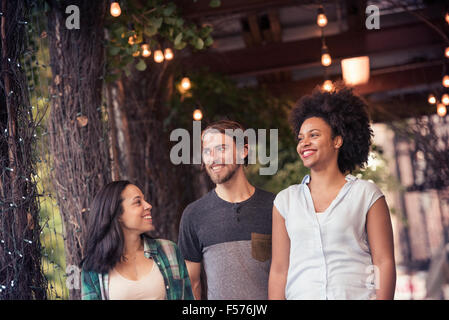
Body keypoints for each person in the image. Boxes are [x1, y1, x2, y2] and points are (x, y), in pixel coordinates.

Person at [269, 86, 396, 300]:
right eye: (301, 138)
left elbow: (383, 261)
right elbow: (279, 270)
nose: (304, 143)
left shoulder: (367, 195)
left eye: (314, 135)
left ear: (337, 140)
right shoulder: (285, 201)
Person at [178, 120, 275, 300]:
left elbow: (289, 272)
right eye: (207, 151)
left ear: (243, 151)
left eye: (222, 149)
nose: (213, 158)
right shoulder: (194, 214)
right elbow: (192, 283)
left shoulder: (275, 206)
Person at [81, 181, 194, 300]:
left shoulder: (169, 250)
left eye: (144, 200)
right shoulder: (92, 267)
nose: (148, 206)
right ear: (117, 214)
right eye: (138, 202)